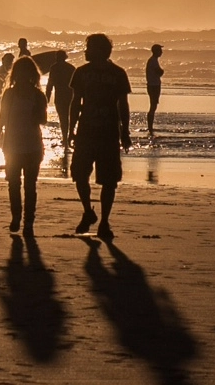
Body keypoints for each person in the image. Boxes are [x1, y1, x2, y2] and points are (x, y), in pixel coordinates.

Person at [68, 33, 132, 241]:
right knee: (79, 175)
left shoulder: (117, 73)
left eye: (88, 47)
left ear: (97, 50)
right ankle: (88, 211)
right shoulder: (82, 72)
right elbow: (76, 103)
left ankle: (104, 221)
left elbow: (123, 104)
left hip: (106, 133)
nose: (85, 51)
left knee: (109, 180)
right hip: (89, 132)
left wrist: (125, 132)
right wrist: (71, 129)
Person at [0, 57, 48, 235]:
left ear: (32, 75)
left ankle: (28, 222)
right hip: (11, 145)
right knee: (13, 184)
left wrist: (36, 115)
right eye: (21, 72)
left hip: (33, 146)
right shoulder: (9, 94)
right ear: (16, 74)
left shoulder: (39, 95)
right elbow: (2, 119)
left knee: (30, 186)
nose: (24, 76)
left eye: (27, 72)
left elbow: (44, 120)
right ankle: (16, 217)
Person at [44, 50, 77, 150]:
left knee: (63, 118)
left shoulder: (54, 68)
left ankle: (65, 138)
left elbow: (50, 84)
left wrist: (47, 98)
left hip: (60, 96)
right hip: (70, 96)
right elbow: (76, 86)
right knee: (70, 117)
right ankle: (68, 137)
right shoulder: (71, 68)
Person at [145, 44, 164, 139]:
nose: (161, 52)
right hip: (153, 85)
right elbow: (159, 72)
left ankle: (150, 126)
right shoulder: (153, 61)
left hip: (153, 85)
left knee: (154, 105)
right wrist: (162, 71)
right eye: (160, 50)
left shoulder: (153, 60)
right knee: (153, 106)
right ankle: (150, 127)